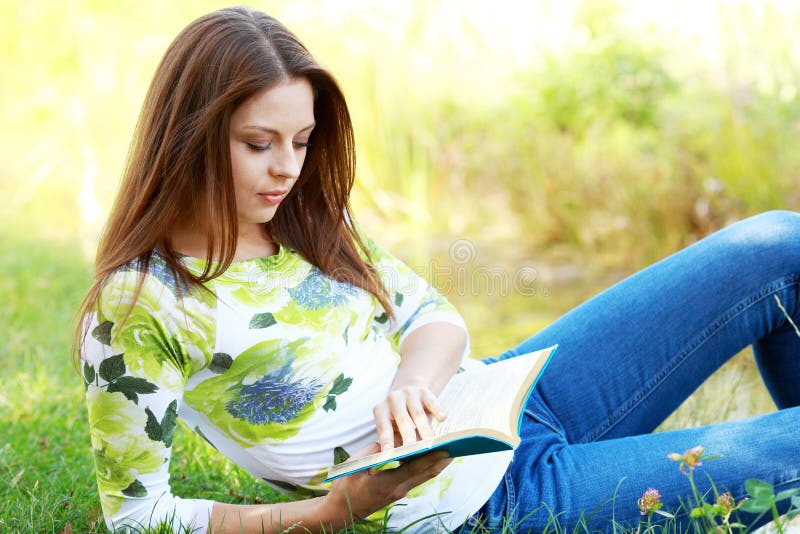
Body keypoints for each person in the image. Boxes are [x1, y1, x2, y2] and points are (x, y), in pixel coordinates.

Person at [75, 6, 800, 533]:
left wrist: (412, 386)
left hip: (511, 396)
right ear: (191, 136)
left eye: (301, 140)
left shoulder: (296, 223)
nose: (288, 169)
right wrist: (336, 512)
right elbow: (141, 515)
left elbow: (432, 316)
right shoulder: (142, 303)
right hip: (493, 504)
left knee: (775, 243)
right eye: (259, 143)